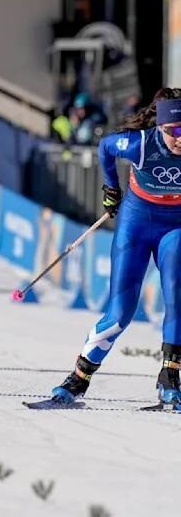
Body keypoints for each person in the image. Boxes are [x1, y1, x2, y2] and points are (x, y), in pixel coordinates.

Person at [52, 87, 181, 404]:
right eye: (174, 130)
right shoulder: (139, 145)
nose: (180, 138)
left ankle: (170, 380)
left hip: (175, 225)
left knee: (176, 296)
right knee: (121, 310)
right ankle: (78, 379)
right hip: (136, 223)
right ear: (160, 127)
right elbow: (105, 148)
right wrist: (111, 191)